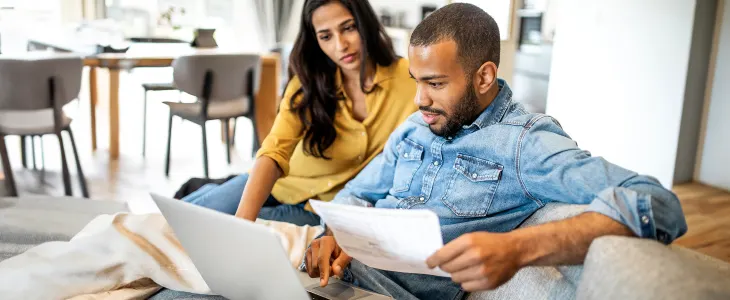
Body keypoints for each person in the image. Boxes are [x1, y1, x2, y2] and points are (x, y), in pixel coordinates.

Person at [304, 3, 688, 300]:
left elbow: (659, 203)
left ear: (484, 77)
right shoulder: (414, 129)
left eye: (435, 83)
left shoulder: (524, 143)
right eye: (417, 82)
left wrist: (518, 248)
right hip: (339, 279)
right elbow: (356, 192)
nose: (420, 100)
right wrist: (333, 231)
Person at [180, 0, 417, 226]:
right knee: (183, 221)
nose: (340, 45)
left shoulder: (410, 78)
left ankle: (211, 192)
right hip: (277, 184)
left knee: (214, 225)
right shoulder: (308, 84)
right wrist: (243, 220)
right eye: (326, 36)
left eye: (349, 28)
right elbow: (274, 150)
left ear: (365, 22)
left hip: (322, 208)